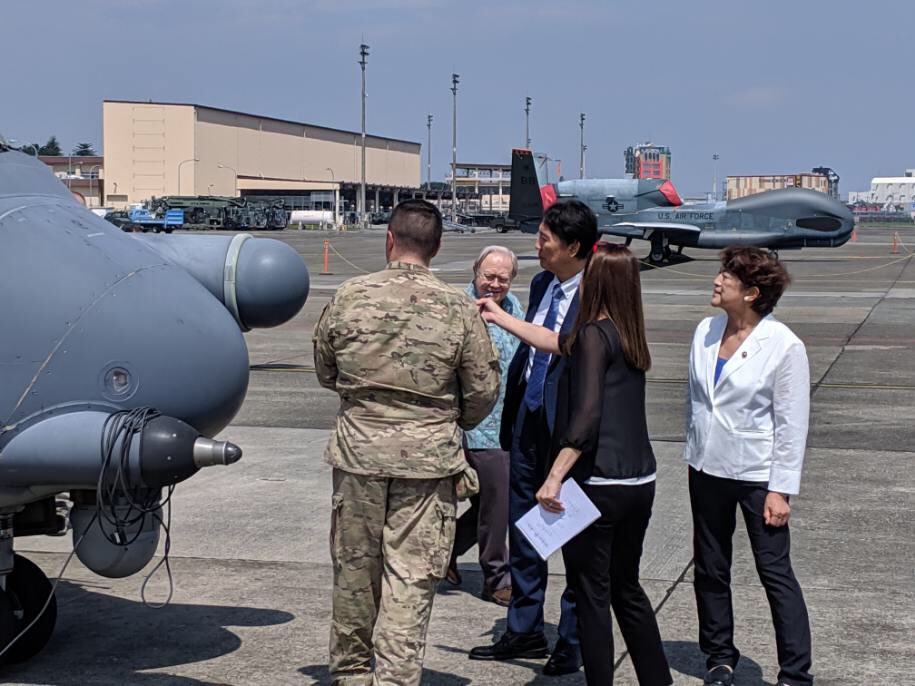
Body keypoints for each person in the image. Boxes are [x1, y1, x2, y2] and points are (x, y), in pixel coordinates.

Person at [314, 199, 501, 686]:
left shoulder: (350, 295)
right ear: (437, 248)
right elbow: (483, 390)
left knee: (354, 572)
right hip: (428, 461)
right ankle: (395, 678)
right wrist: (440, 420)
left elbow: (326, 370)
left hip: (359, 454)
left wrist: (368, 405)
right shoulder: (458, 308)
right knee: (411, 578)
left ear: (389, 239)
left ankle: (352, 673)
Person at [479, 242, 673, 685]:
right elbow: (552, 341)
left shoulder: (590, 336)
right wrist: (500, 316)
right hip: (638, 481)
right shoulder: (628, 335)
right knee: (627, 589)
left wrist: (554, 477)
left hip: (597, 483)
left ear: (597, 283)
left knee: (591, 593)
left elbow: (585, 419)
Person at [470, 199, 597, 676]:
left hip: (567, 430)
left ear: (573, 247)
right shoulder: (543, 283)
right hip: (527, 418)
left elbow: (568, 349)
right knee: (525, 529)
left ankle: (572, 638)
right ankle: (524, 628)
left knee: (573, 535)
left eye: (544, 239)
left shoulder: (597, 292)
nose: (537, 246)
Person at [684, 246, 812, 686]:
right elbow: (696, 401)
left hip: (758, 475)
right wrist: (693, 451)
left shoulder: (784, 345)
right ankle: (719, 656)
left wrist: (781, 489)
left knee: (774, 572)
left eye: (728, 276)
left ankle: (795, 672)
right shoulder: (705, 330)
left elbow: (792, 424)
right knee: (710, 567)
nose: (717, 280)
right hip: (706, 468)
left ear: (752, 292)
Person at [447, 246, 523, 606]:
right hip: (476, 425)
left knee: (487, 506)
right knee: (497, 505)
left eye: (502, 279)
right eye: (488, 276)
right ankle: (496, 577)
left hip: (508, 423)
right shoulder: (458, 308)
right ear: (475, 271)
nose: (494, 284)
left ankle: (444, 552)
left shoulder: (515, 308)